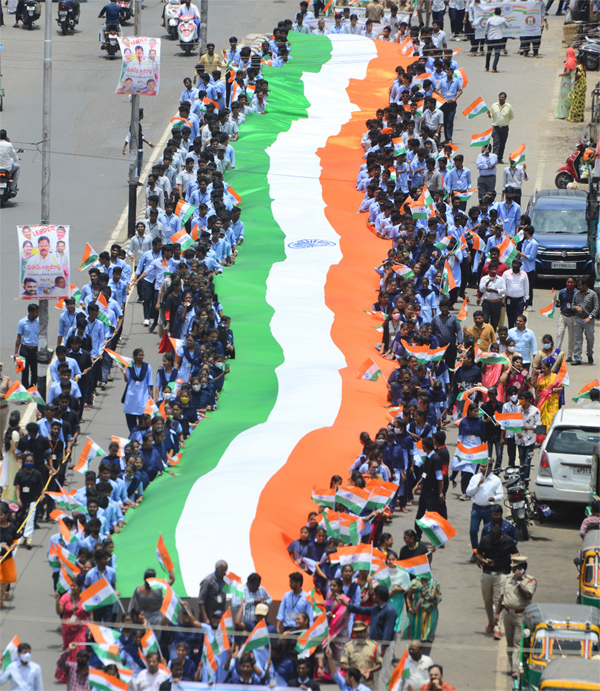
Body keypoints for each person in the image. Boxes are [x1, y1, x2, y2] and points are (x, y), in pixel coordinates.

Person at [345, 585, 397, 685]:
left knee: (383, 673)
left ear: (378, 596)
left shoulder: (390, 611)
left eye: (374, 595)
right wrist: (347, 605)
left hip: (383, 645)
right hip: (374, 644)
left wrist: (384, 648)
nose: (372, 597)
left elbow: (388, 630)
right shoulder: (376, 609)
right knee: (374, 672)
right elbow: (362, 610)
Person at [494, 556, 537, 679]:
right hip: (507, 614)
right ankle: (512, 666)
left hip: (521, 615)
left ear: (522, 569)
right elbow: (502, 597)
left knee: (518, 642)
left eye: (516, 568)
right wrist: (497, 614)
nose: (513, 570)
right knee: (509, 643)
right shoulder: (507, 579)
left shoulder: (530, 581)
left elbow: (528, 595)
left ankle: (515, 669)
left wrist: (519, 582)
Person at [476, 525, 519, 640]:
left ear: (501, 536)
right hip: (487, 573)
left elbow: (516, 554)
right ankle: (490, 622)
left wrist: (515, 559)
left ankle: (497, 628)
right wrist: (484, 561)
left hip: (502, 574)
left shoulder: (508, 541)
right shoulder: (485, 540)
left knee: (498, 600)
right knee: (487, 600)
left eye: (496, 540)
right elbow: (478, 553)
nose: (494, 542)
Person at [466, 461, 504, 562]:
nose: (482, 468)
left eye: (484, 466)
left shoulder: (496, 480)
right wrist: (477, 485)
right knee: (473, 531)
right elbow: (468, 493)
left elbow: (501, 494)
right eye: (481, 466)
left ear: (490, 468)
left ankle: (484, 552)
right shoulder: (475, 478)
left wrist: (494, 498)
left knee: (487, 533)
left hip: (489, 510)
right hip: (476, 509)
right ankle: (475, 552)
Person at [54, 576, 88, 683]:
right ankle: (65, 674)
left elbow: (90, 613)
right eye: (71, 585)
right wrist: (57, 601)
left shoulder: (86, 598)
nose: (72, 588)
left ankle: (80, 673)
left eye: (75, 586)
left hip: (81, 628)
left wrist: (91, 627)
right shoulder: (65, 597)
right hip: (68, 629)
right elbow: (59, 612)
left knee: (81, 648)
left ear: (80, 587)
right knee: (68, 650)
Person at [405, 575, 442, 655]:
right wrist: (410, 607)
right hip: (417, 615)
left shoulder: (434, 583)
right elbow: (408, 597)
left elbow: (440, 597)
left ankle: (425, 660)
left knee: (428, 639)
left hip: (431, 615)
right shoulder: (414, 582)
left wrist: (436, 596)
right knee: (416, 641)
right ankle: (414, 660)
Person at [339, 621, 382, 690]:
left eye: (361, 632)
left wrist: (369, 670)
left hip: (368, 682)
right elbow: (342, 665)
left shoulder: (373, 646)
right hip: (353, 683)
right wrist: (356, 670)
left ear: (365, 632)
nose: (359, 634)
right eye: (357, 632)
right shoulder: (349, 647)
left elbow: (379, 664)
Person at [122, 349, 154, 431]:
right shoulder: (130, 366)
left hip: (143, 395)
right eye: (140, 355)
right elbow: (127, 380)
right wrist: (124, 373)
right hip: (132, 395)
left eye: (142, 355)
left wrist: (151, 395)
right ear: (135, 356)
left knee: (143, 420)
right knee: (131, 422)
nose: (141, 357)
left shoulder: (147, 366)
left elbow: (150, 382)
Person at [515, 391, 541, 484]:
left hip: (530, 440)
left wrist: (528, 428)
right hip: (520, 439)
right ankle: (521, 480)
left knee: (527, 462)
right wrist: (517, 431)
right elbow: (515, 423)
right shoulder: (518, 409)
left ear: (528, 400)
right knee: (521, 460)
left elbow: (538, 426)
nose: (521, 401)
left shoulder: (535, 411)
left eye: (523, 399)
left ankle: (525, 483)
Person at [572, 277, 598, 366]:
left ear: (585, 285)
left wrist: (590, 317)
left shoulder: (592, 294)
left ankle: (590, 354)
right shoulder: (576, 294)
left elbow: (596, 308)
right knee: (577, 339)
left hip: (588, 320)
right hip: (578, 319)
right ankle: (577, 358)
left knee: (590, 339)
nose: (578, 287)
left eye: (580, 285)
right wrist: (575, 307)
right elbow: (572, 305)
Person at [532, 360, 563, 430]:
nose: (542, 370)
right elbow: (535, 385)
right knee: (540, 416)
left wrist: (555, 390)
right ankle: (541, 434)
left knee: (551, 416)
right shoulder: (540, 376)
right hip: (541, 399)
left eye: (544, 368)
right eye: (541, 368)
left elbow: (561, 387)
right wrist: (536, 375)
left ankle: (550, 431)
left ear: (549, 368)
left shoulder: (555, 376)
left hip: (552, 400)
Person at [14, 303, 39, 389]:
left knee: (34, 372)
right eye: (36, 312)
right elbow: (18, 338)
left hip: (35, 350)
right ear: (31, 312)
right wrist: (16, 353)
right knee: (24, 372)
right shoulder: (22, 322)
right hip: (24, 349)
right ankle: (25, 390)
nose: (37, 314)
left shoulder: (39, 322)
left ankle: (32, 388)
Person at [487, 92, 513, 163]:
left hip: (504, 128)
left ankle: (500, 158)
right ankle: (494, 158)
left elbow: (511, 116)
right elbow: (491, 116)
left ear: (505, 98)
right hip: (496, 127)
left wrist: (505, 121)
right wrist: (489, 114)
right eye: (500, 97)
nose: (501, 98)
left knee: (502, 143)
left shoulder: (508, 106)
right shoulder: (494, 105)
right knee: (496, 143)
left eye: (502, 97)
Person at [555, 277, 577, 361]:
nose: (570, 284)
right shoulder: (562, 292)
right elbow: (559, 305)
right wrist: (557, 303)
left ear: (574, 283)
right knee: (559, 334)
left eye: (571, 282)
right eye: (568, 282)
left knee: (572, 337)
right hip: (563, 315)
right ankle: (556, 354)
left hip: (573, 316)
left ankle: (570, 355)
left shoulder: (576, 293)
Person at [518, 226, 538, 310]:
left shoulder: (534, 243)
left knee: (529, 287)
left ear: (527, 232)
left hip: (529, 268)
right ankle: (523, 302)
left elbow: (531, 257)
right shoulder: (525, 242)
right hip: (523, 267)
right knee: (522, 286)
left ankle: (529, 304)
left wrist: (521, 254)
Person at [484, 9, 509, 74]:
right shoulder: (502, 19)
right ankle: (494, 68)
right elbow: (507, 26)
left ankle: (487, 66)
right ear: (500, 13)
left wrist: (486, 38)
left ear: (494, 12)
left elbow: (486, 29)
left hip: (490, 38)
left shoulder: (490, 19)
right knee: (497, 53)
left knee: (489, 53)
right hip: (498, 38)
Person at [556, 48, 577, 119]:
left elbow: (567, 72)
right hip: (570, 82)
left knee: (564, 97)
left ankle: (563, 113)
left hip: (566, 83)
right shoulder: (574, 60)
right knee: (568, 97)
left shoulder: (569, 61)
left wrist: (561, 74)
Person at [0, 130, 20, 195]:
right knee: (18, 167)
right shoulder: (9, 145)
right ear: (6, 136)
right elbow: (13, 156)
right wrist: (16, 159)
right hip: (6, 168)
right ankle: (12, 187)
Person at [568, 55, 587, 123]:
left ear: (579, 60)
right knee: (581, 102)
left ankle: (575, 117)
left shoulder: (578, 67)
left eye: (576, 59)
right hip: (583, 87)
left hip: (578, 87)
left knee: (575, 101)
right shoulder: (584, 67)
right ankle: (581, 117)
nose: (575, 60)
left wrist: (575, 78)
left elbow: (578, 74)